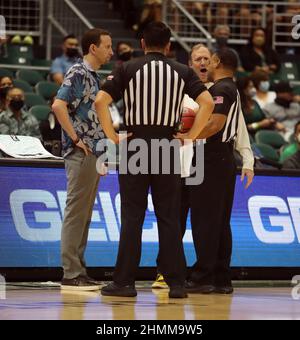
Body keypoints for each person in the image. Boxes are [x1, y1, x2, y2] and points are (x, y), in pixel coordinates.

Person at [95, 21, 214, 298]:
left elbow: (100, 101)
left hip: (135, 145)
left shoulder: (127, 68)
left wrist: (113, 136)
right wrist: (191, 136)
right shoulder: (183, 71)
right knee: (170, 218)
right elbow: (207, 102)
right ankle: (177, 284)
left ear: (142, 44)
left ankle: (124, 282)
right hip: (167, 147)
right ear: (169, 46)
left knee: (133, 217)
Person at [153, 44, 254, 290]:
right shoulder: (194, 89)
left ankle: (203, 276)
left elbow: (221, 125)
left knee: (206, 221)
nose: (203, 63)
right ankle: (212, 277)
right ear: (190, 62)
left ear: (216, 61)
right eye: (198, 59)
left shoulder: (221, 89)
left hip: (209, 157)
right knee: (208, 221)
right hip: (196, 159)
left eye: (207, 59)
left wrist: (189, 136)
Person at [51, 28, 113, 291]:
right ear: (93, 48)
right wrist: (75, 138)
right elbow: (57, 105)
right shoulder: (77, 72)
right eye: (107, 46)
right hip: (80, 152)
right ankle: (70, 272)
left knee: (85, 214)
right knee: (76, 213)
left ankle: (79, 270)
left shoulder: (93, 76)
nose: (111, 51)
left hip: (94, 152)